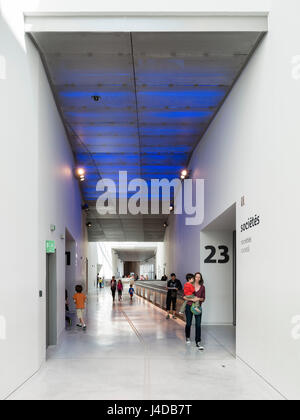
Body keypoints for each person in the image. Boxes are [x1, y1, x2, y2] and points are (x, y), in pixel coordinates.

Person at [184, 272, 206, 350]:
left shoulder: (202, 287)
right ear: (194, 277)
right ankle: (187, 337)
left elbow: (203, 298)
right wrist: (192, 299)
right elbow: (185, 297)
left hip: (198, 307)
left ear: (200, 278)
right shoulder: (189, 285)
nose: (197, 278)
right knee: (189, 323)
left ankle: (198, 341)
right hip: (189, 307)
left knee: (198, 325)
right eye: (196, 277)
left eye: (199, 277)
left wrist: (198, 299)